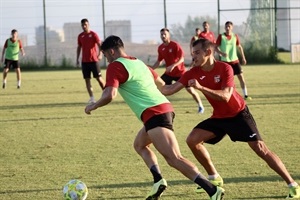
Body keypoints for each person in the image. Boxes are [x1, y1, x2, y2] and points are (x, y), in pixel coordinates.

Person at [84, 35, 225, 200]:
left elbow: (110, 94)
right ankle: (158, 180)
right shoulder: (139, 63)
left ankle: (212, 190)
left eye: (106, 56)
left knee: (174, 158)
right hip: (161, 110)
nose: (107, 60)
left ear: (112, 51)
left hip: (155, 113)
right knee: (139, 145)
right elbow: (162, 85)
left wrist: (93, 105)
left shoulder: (116, 66)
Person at [160, 38, 300, 199]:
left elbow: (226, 96)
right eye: (192, 53)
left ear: (208, 52)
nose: (193, 57)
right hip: (219, 117)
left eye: (197, 53)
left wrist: (200, 87)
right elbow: (169, 89)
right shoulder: (192, 72)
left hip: (239, 114)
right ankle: (214, 177)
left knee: (260, 148)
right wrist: (150, 78)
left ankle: (293, 185)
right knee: (192, 140)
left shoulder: (225, 68)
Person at [152, 28, 204, 114]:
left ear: (169, 35)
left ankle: (200, 106)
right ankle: (160, 108)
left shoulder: (175, 45)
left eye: (165, 34)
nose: (163, 36)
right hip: (169, 74)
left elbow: (181, 59)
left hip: (180, 73)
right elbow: (159, 61)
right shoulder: (161, 48)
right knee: (159, 89)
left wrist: (173, 65)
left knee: (190, 90)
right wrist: (151, 69)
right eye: (161, 34)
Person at [216, 21, 251, 100]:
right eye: (226, 27)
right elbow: (215, 47)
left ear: (232, 27)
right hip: (225, 62)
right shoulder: (221, 36)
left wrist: (243, 57)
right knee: (224, 80)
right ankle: (223, 94)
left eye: (229, 26)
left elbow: (239, 47)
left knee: (241, 77)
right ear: (225, 28)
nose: (228, 28)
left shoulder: (235, 36)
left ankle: (245, 95)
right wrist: (221, 53)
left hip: (235, 61)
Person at [76, 18, 105, 104]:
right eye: (82, 25)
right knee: (87, 80)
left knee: (99, 78)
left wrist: (100, 54)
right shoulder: (80, 36)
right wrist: (77, 59)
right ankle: (92, 98)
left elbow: (100, 45)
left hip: (94, 61)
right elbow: (79, 47)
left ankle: (106, 93)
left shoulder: (93, 35)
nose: (84, 26)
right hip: (85, 62)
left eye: (85, 25)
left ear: (88, 24)